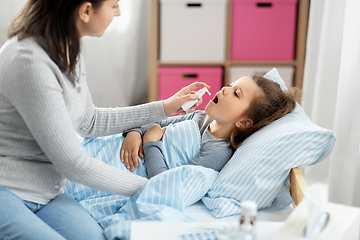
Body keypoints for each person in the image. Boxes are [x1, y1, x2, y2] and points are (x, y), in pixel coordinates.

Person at [0, 0, 209, 239]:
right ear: (87, 10)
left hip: (48, 193)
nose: (118, 12)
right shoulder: (29, 61)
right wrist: (148, 187)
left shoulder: (68, 49)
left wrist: (165, 106)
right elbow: (73, 163)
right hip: (7, 189)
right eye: (114, 5)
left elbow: (90, 121)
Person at [121, 72, 301, 178]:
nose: (224, 89)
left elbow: (168, 182)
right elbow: (153, 121)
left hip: (128, 168)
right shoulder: (200, 118)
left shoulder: (217, 152)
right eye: (231, 85)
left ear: (244, 122)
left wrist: (151, 143)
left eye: (236, 93)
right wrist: (135, 133)